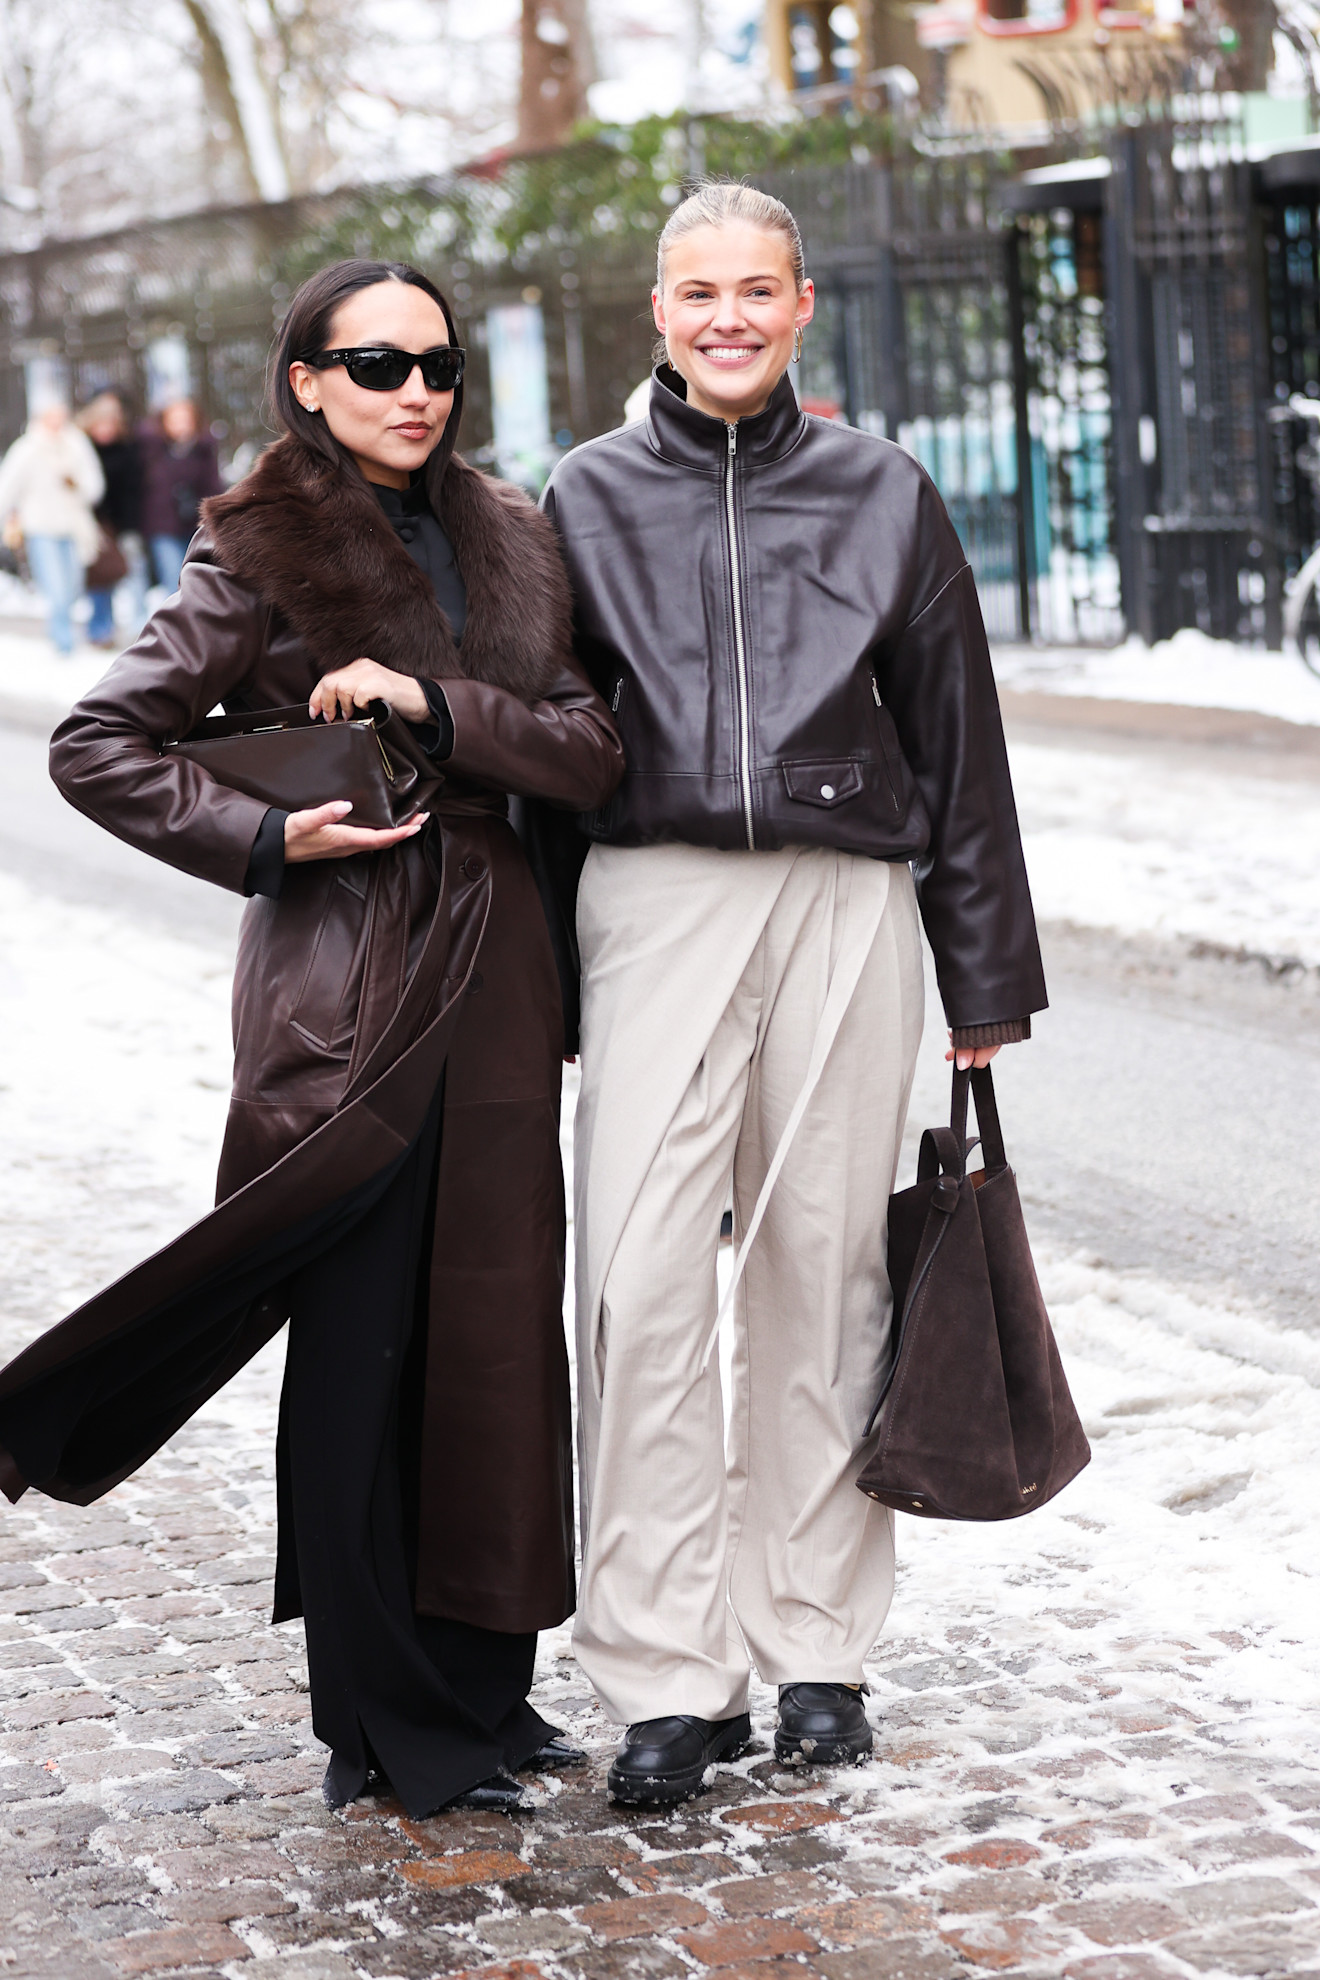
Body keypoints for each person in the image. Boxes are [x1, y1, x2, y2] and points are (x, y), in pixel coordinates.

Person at [0, 258, 623, 1817]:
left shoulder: (513, 532)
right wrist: (270, 844)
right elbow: (100, 743)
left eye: (437, 365)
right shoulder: (260, 542)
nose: (415, 390)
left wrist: (433, 702)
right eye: (377, 363)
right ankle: (380, 1715)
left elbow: (595, 749)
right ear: (308, 380)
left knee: (493, 1336)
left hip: (502, 966)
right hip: (352, 972)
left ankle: (488, 1687)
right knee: (364, 1344)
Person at [541, 182, 1047, 1805]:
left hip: (846, 904)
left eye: (756, 289)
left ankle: (817, 1651)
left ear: (803, 303)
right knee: (635, 1290)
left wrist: (983, 974)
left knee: (825, 1280)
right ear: (658, 308)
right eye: (699, 291)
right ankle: (665, 1676)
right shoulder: (584, 496)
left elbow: (960, 742)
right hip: (653, 904)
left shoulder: (886, 492)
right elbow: (544, 752)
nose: (728, 318)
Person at [0, 398, 103, 655]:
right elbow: (8, 488)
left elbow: (94, 485)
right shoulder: (27, 449)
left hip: (74, 528)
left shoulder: (77, 444)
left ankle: (65, 636)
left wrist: (76, 483)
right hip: (41, 527)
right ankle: (64, 643)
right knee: (56, 587)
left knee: (73, 587)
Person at [79, 392, 147, 646]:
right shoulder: (83, 448)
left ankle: (140, 626)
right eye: (100, 424)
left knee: (134, 571)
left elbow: (133, 489)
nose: (105, 429)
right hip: (96, 523)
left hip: (125, 522)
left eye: (110, 423)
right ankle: (100, 629)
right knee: (100, 578)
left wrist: (130, 525)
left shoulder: (128, 448)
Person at [140, 396, 223, 596]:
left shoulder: (204, 450)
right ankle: (175, 624)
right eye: (174, 419)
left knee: (198, 577)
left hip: (195, 523)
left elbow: (213, 487)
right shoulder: (152, 450)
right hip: (162, 525)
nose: (180, 425)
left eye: (185, 419)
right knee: (172, 576)